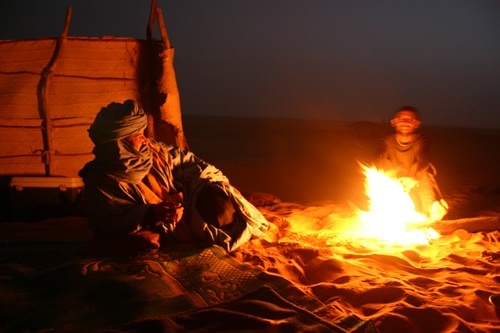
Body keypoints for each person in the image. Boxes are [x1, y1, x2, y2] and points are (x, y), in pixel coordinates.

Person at [78, 100, 269, 252]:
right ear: (119, 143)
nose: (145, 139)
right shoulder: (100, 179)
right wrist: (151, 213)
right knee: (137, 242)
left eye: (143, 132)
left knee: (222, 210)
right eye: (137, 135)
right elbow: (105, 224)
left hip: (184, 202)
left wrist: (216, 184)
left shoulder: (154, 151)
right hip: (154, 220)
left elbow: (196, 164)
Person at [376, 106, 448, 221]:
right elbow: (379, 160)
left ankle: (432, 210)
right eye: (401, 119)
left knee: (426, 174)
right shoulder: (387, 141)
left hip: (416, 182)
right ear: (394, 122)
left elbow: (423, 160)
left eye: (410, 120)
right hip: (395, 182)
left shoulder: (420, 141)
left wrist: (413, 178)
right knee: (384, 167)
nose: (405, 122)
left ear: (416, 124)